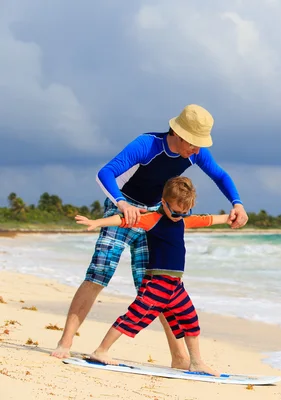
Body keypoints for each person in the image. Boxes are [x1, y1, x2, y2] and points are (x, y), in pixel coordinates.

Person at [51, 104, 248, 368]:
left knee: (160, 286)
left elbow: (220, 176)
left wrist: (237, 203)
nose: (198, 150)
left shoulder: (195, 154)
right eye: (195, 143)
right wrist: (122, 203)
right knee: (98, 275)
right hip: (123, 208)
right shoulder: (147, 145)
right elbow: (105, 173)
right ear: (179, 134)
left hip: (157, 213)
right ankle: (65, 343)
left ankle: (179, 357)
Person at [74, 176, 226, 375]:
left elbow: (209, 219)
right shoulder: (153, 219)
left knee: (190, 319)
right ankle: (101, 351)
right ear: (164, 203)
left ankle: (196, 362)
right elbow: (122, 220)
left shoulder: (182, 221)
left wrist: (232, 217)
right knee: (134, 316)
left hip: (175, 285)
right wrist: (97, 222)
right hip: (156, 283)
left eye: (184, 212)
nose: (179, 216)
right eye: (175, 211)